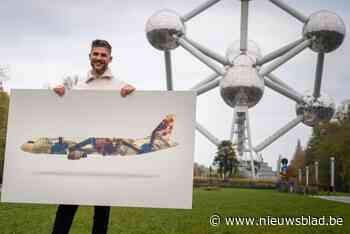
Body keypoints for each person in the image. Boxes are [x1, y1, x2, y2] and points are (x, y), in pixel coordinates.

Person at [52, 39, 135, 234]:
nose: (99, 58)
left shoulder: (121, 87)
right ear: (89, 56)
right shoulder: (76, 86)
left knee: (102, 212)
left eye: (103, 55)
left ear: (110, 59)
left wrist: (133, 97)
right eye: (95, 54)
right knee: (66, 206)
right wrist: (58, 96)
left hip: (106, 158)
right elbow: (64, 114)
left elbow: (130, 114)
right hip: (79, 156)